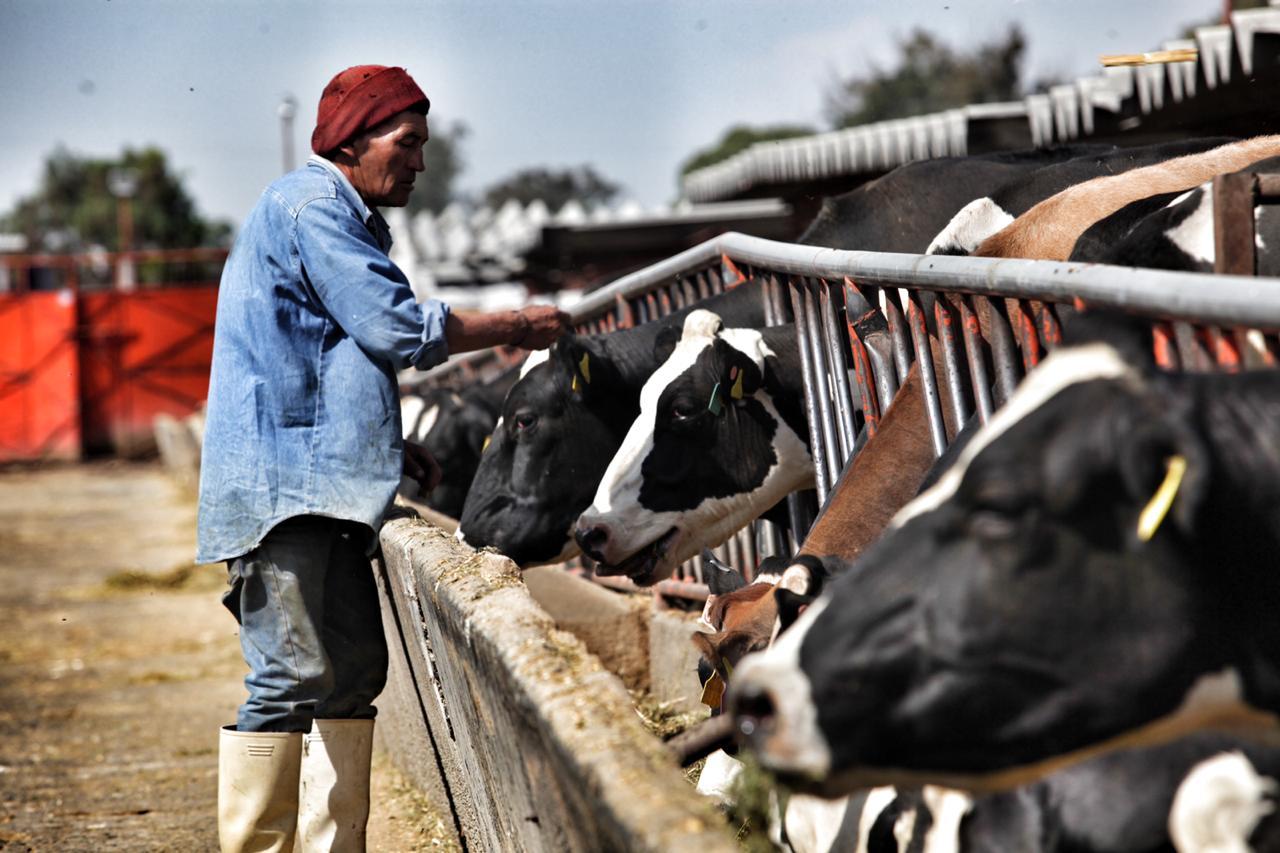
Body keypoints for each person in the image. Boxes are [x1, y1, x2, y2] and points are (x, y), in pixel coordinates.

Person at [197, 64, 568, 853]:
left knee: (356, 671)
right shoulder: (310, 208)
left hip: (323, 487)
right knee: (289, 673)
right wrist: (514, 323)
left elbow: (316, 352)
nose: (420, 162)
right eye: (408, 143)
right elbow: (394, 326)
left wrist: (385, 446)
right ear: (354, 140)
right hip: (282, 493)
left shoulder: (337, 214)